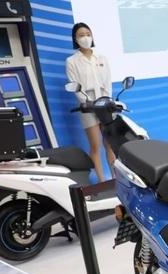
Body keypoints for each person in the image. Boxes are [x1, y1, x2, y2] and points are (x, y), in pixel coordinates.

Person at [66, 23, 113, 182]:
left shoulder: (101, 58)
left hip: (105, 103)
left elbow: (107, 82)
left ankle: (116, 178)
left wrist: (107, 101)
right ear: (75, 39)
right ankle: (102, 181)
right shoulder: (71, 61)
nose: (85, 37)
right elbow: (75, 85)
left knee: (109, 143)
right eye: (81, 35)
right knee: (95, 144)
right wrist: (88, 102)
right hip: (87, 105)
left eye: (88, 34)